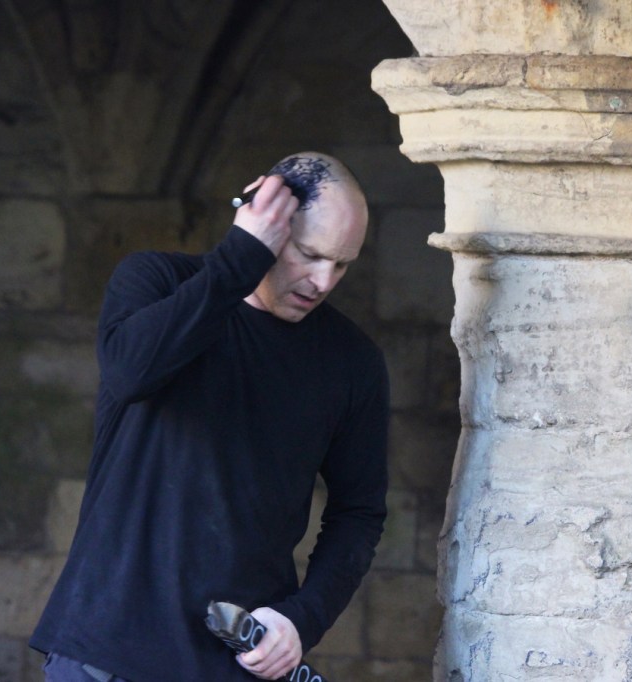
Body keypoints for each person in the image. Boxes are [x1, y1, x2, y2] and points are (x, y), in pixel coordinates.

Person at [29, 152, 389, 681]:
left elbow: (358, 513)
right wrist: (239, 256)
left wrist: (301, 620)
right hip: (103, 654)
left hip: (234, 660)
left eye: (341, 263)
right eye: (309, 254)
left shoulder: (351, 360)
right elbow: (130, 372)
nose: (323, 280)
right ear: (262, 217)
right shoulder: (157, 281)